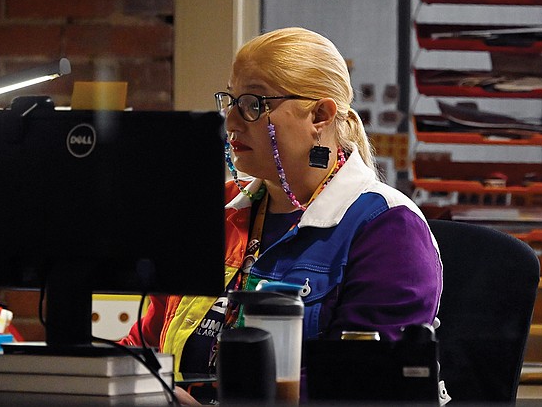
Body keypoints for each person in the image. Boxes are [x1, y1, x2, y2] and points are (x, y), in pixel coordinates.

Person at [119, 27, 443, 401]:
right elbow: (144, 342)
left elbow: (364, 381)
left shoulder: (388, 228)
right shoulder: (214, 210)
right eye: (231, 101)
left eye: (254, 104)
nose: (232, 122)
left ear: (320, 114)